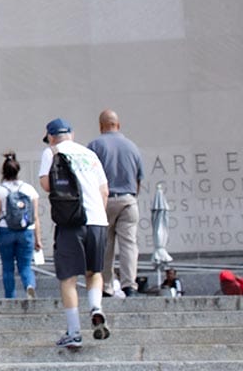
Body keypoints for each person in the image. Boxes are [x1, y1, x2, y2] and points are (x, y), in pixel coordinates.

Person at [39, 118, 110, 349]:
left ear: (51, 136)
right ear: (72, 133)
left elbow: (46, 185)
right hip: (98, 220)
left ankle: (74, 332)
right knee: (95, 271)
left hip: (71, 221)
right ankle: (96, 308)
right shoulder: (90, 154)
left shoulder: (52, 152)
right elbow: (104, 191)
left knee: (68, 278)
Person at [87, 109, 144, 297]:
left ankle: (107, 287)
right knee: (129, 244)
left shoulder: (94, 146)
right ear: (118, 125)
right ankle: (130, 285)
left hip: (104, 200)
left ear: (101, 126)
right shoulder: (132, 147)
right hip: (129, 200)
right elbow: (138, 179)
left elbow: (89, 178)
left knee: (106, 245)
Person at [0, 152, 42, 299]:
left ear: (3, 172)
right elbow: (35, 217)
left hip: (5, 231)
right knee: (25, 266)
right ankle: (29, 285)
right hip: (26, 231)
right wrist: (38, 239)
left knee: (7, 267)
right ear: (18, 170)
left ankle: (10, 298)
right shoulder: (29, 189)